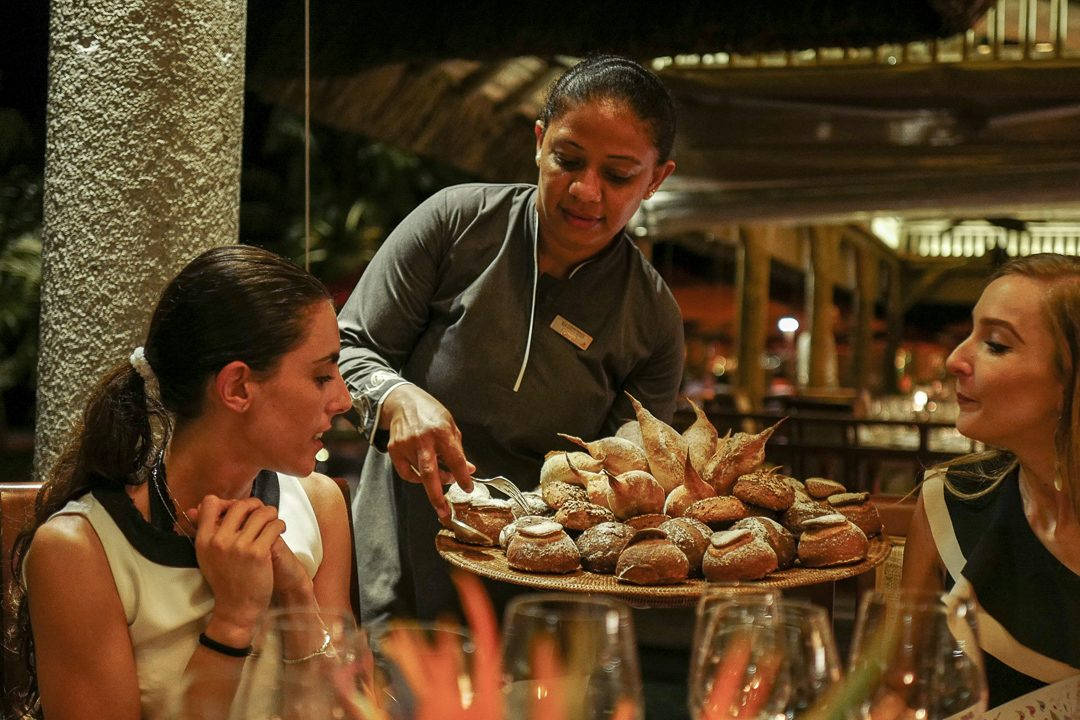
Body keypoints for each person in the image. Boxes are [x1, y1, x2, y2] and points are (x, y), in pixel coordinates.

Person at [339, 55, 684, 623]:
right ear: (539, 142)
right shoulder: (456, 223)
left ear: (655, 180)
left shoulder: (653, 318)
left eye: (619, 175)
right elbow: (347, 348)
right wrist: (395, 396)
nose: (586, 190)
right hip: (402, 553)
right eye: (568, 159)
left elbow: (634, 475)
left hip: (547, 590)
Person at [12, 246, 355, 719]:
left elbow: (349, 711)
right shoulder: (80, 550)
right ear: (237, 387)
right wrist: (232, 622)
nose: (343, 399)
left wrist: (298, 598)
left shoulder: (319, 504)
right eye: (321, 376)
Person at [902, 253, 1080, 709]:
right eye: (970, 333)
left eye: (996, 345)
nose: (954, 360)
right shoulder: (951, 500)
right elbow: (901, 690)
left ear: (1071, 382)